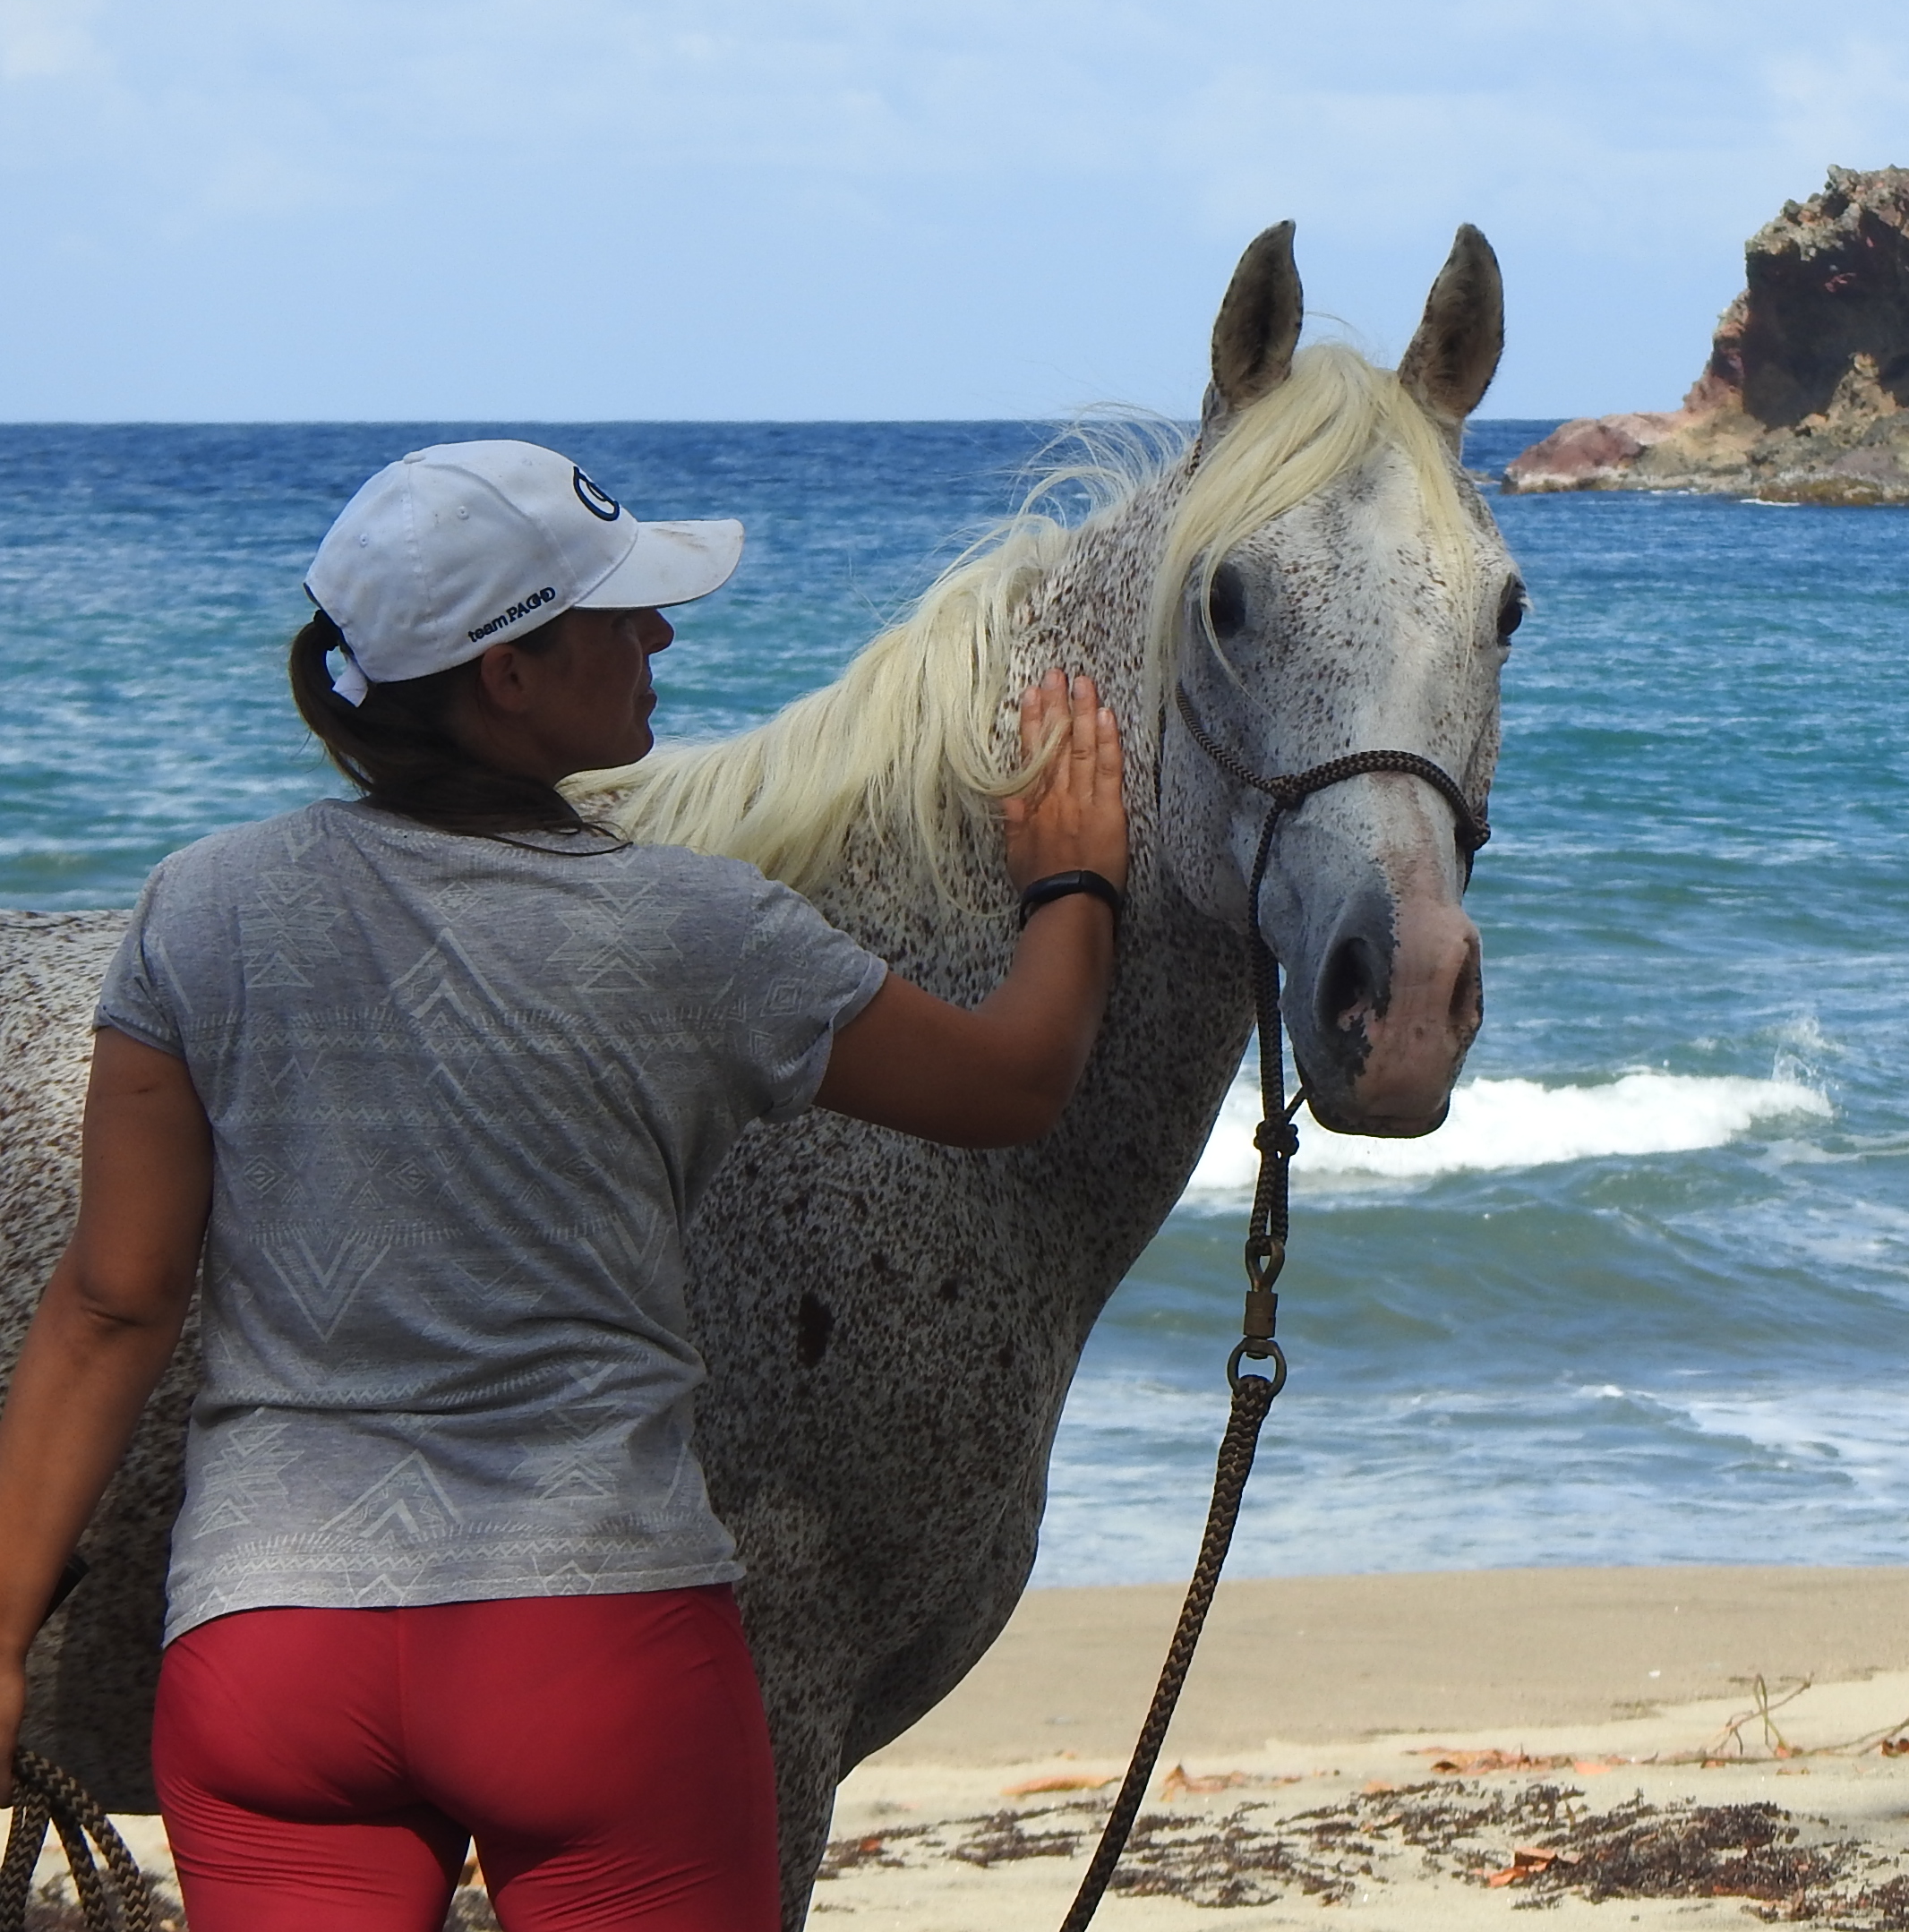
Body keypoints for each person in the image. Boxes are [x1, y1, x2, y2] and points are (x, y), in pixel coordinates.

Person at [0, 440, 1129, 1932]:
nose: (660, 633)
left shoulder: (200, 905)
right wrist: (1074, 884)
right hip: (594, 1643)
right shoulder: (701, 929)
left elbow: (113, 1300)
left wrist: (4, 1632)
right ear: (509, 679)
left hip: (273, 1651)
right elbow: (1015, 1085)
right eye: (618, 611)